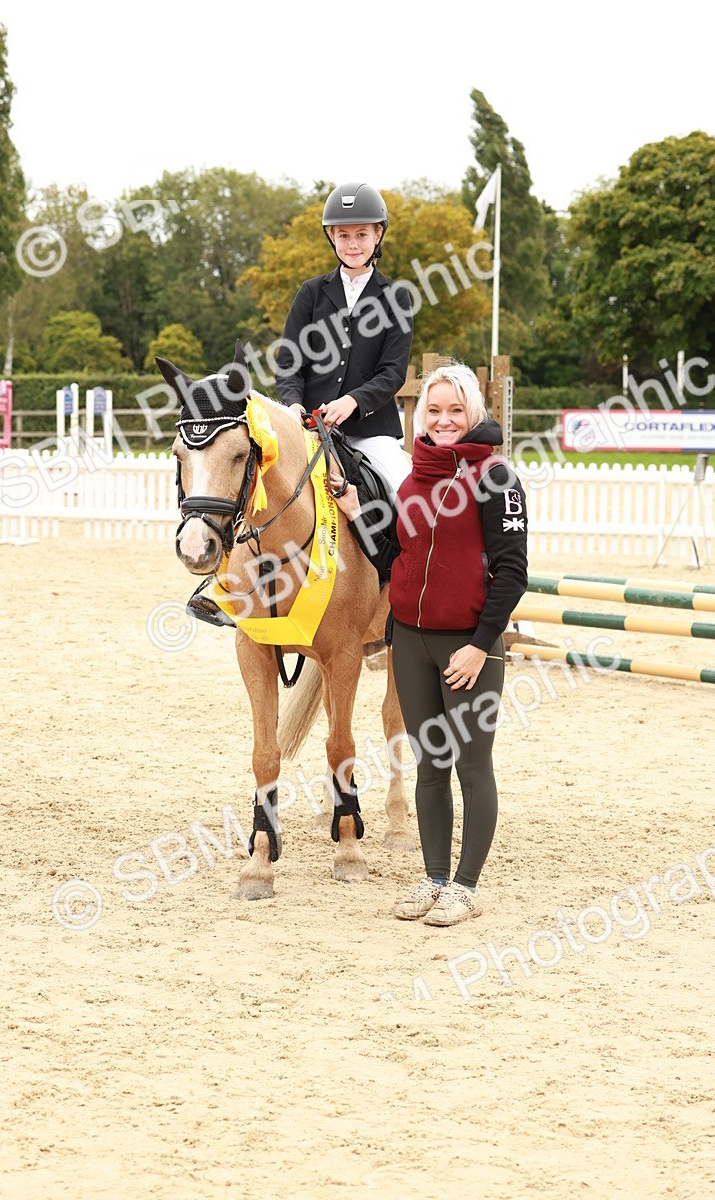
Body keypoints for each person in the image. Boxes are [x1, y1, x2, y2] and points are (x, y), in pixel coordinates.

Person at [329, 360, 528, 926]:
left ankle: (465, 887)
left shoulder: (496, 478)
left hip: (468, 647)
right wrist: (356, 510)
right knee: (430, 766)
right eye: (434, 410)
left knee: (472, 766)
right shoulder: (415, 479)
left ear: (474, 413)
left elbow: (513, 573)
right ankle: (435, 878)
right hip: (411, 643)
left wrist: (481, 645)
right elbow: (397, 556)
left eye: (455, 410)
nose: (443, 420)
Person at [275, 181, 413, 492]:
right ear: (332, 237)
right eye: (343, 235)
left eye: (361, 235)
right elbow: (289, 364)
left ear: (378, 235)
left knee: (402, 491)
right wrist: (293, 405)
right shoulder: (311, 293)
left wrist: (353, 401)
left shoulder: (396, 297)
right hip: (310, 428)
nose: (352, 245)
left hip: (371, 431)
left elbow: (392, 372)